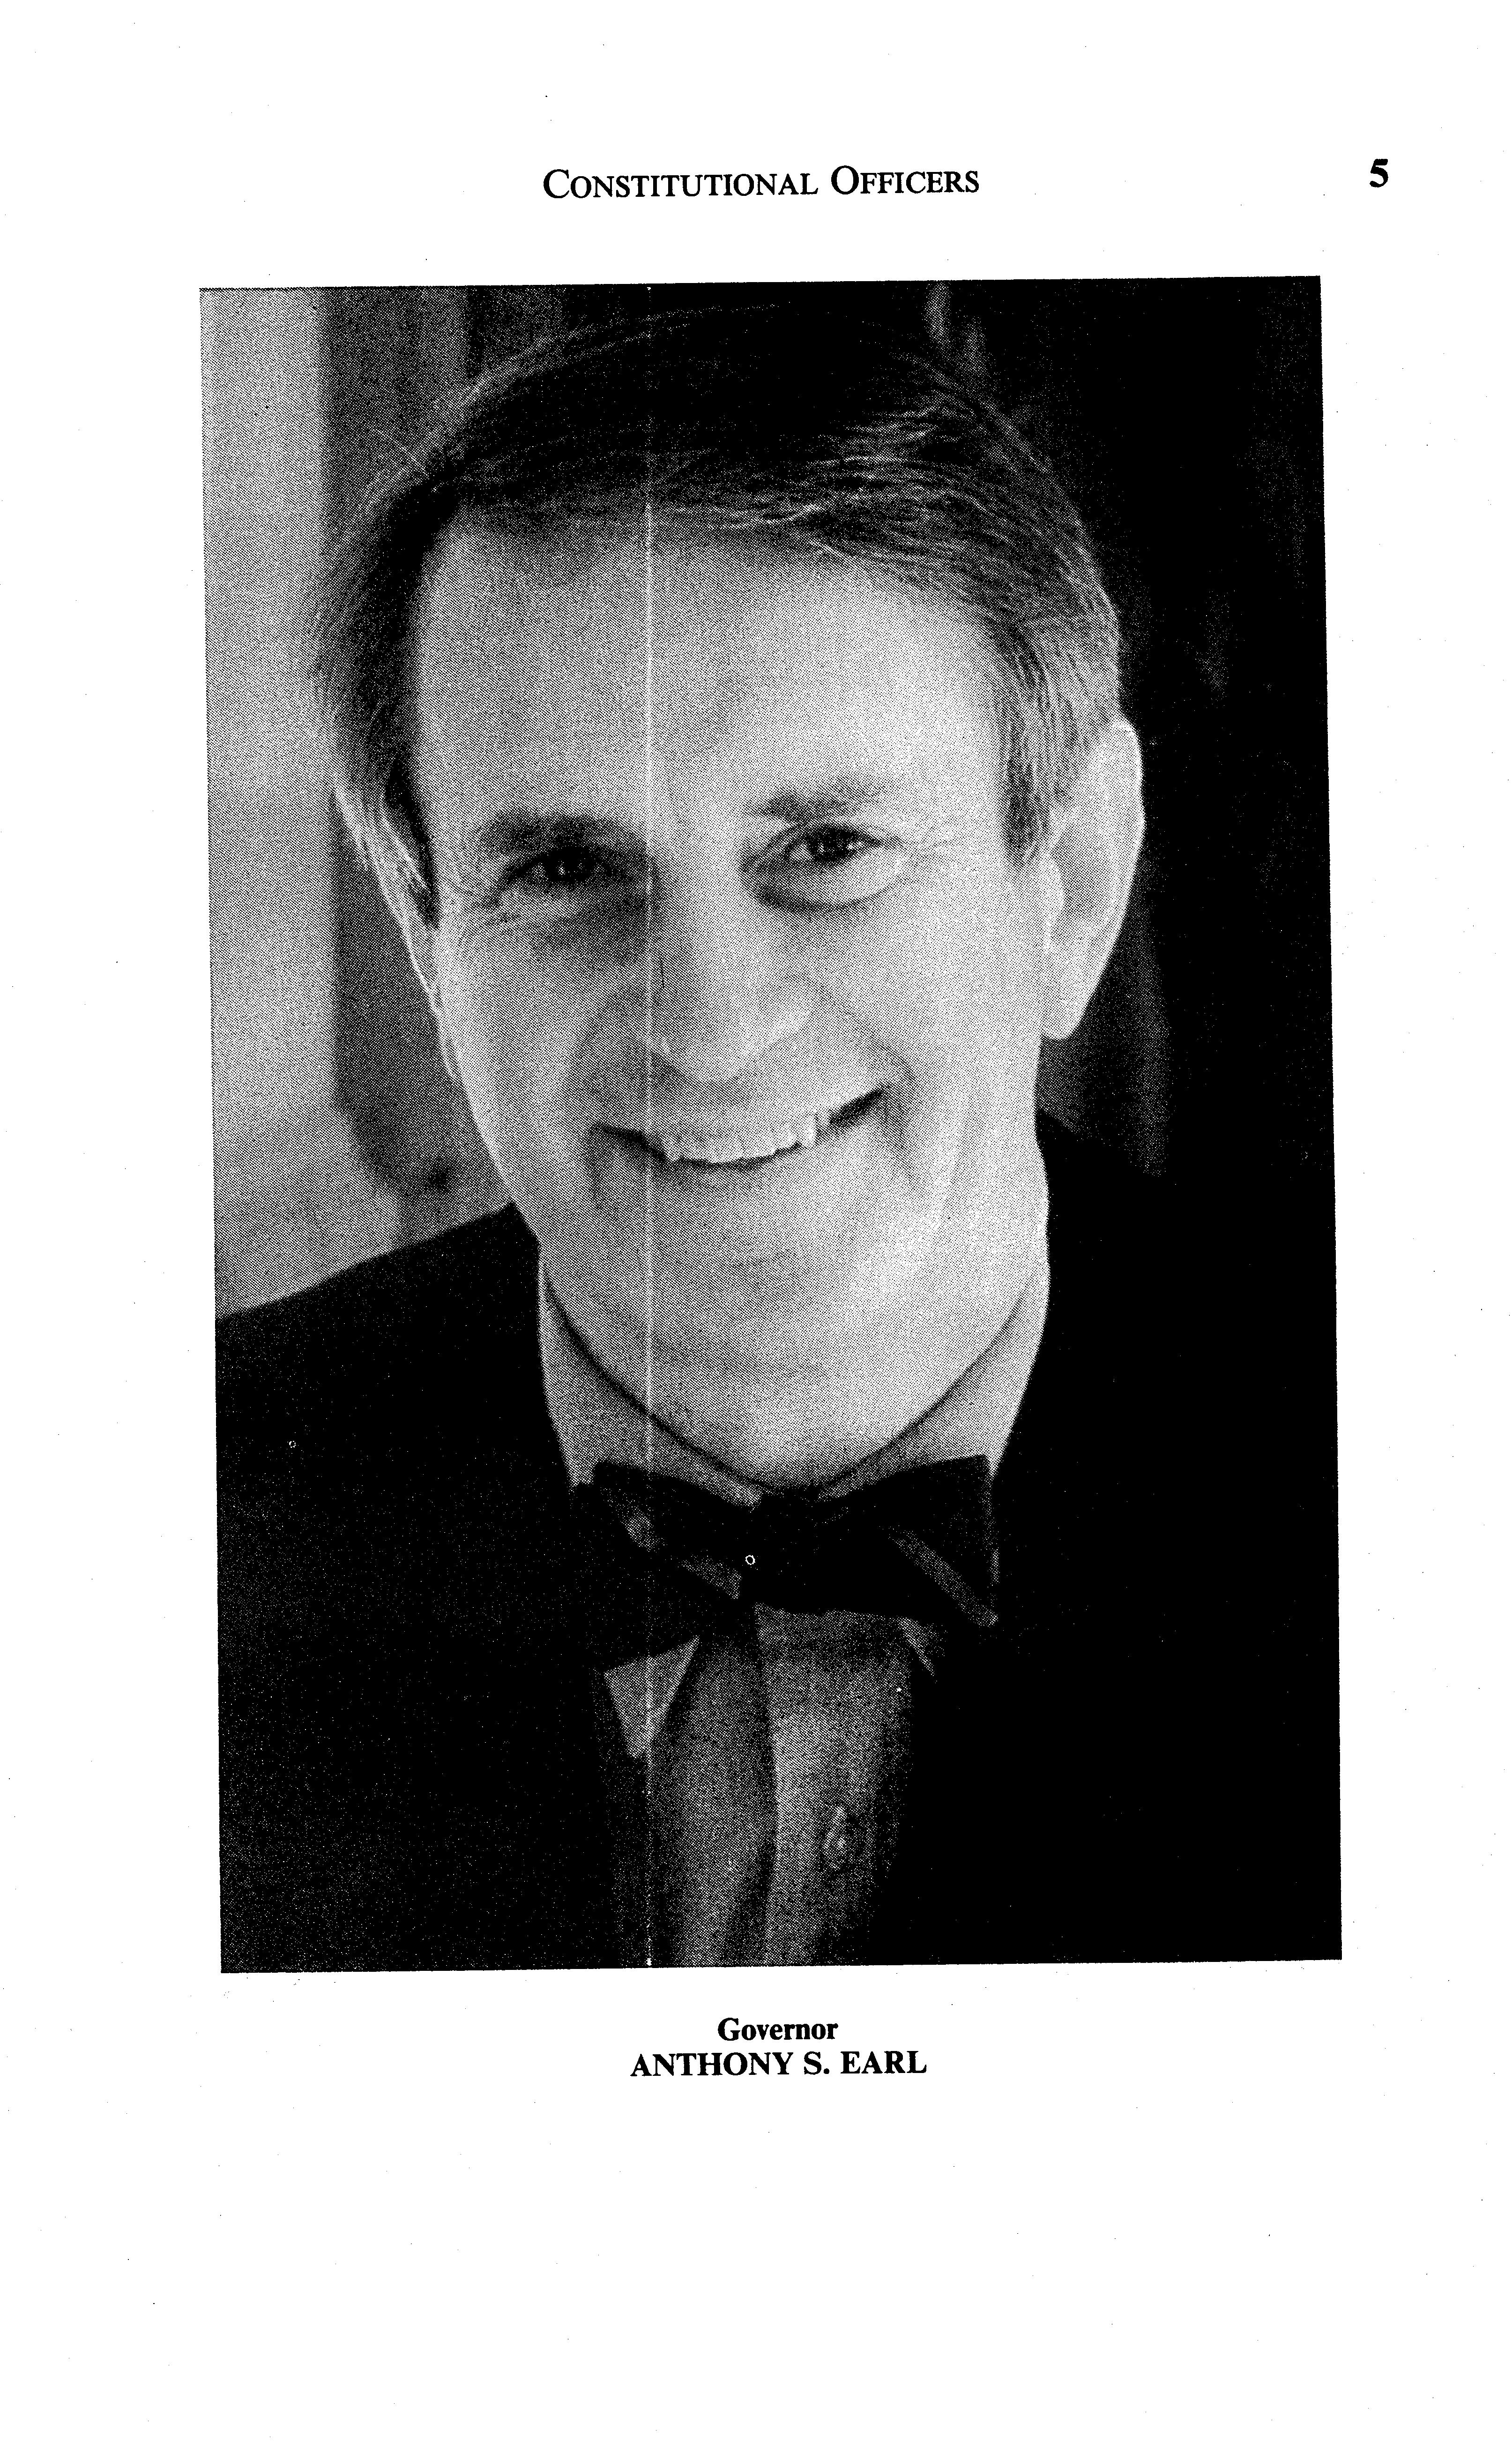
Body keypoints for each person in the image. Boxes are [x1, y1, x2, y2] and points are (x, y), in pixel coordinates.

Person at [218, 303, 1339, 1970]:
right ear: (427, 943)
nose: (711, 1025)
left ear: (1073, 881)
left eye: (826, 845)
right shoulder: (175, 1515)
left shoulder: (1418, 1497)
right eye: (566, 870)